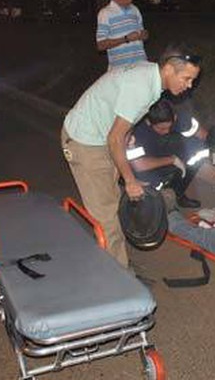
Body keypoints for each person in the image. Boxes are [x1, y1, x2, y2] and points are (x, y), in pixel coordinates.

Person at [61, 45, 202, 267]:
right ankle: (119, 280)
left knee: (115, 203)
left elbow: (121, 123)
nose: (189, 85)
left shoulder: (150, 77)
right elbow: (115, 138)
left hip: (102, 136)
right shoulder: (143, 87)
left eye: (192, 80)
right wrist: (130, 180)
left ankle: (117, 261)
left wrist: (126, 140)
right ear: (168, 69)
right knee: (106, 218)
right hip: (85, 141)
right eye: (186, 78)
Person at [126, 93, 209, 209]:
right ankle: (162, 202)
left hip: (167, 149)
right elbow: (139, 165)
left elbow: (203, 135)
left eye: (169, 127)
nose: (166, 131)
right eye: (161, 128)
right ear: (149, 122)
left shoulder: (179, 117)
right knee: (149, 181)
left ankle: (178, 194)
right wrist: (172, 160)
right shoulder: (135, 132)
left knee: (199, 149)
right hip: (146, 163)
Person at [96, 0, 149, 70]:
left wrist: (144, 35)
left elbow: (144, 34)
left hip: (141, 65)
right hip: (119, 69)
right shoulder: (105, 13)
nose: (130, 0)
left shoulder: (135, 10)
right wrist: (126, 39)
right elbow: (100, 45)